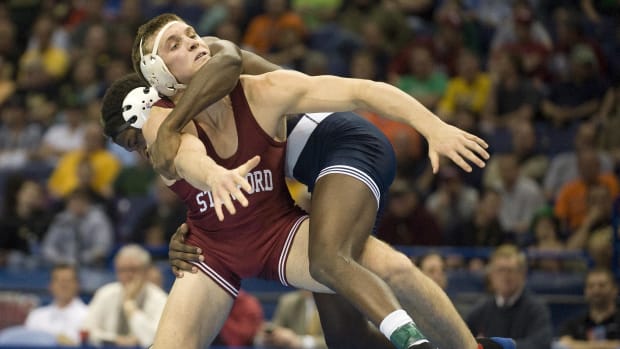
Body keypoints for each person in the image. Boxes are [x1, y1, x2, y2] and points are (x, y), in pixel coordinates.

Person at [103, 14, 512, 349]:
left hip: (336, 146)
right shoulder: (159, 126)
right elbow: (189, 159)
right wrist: (214, 181)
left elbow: (359, 91)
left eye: (190, 34)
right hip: (222, 242)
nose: (139, 147)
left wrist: (432, 126)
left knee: (350, 262)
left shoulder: (245, 81)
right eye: (128, 145)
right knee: (343, 335)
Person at [466, 244, 553, 349]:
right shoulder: (481, 309)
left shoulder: (536, 309)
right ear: (491, 275)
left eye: (510, 270)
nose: (505, 276)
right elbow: (463, 336)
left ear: (522, 274)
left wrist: (505, 347)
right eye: (500, 270)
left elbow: (542, 344)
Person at [82, 244, 167, 347]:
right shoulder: (105, 293)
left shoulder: (160, 298)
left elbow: (154, 339)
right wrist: (117, 340)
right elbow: (86, 331)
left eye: (133, 270)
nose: (128, 275)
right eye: (122, 270)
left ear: (146, 272)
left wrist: (130, 306)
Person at [24, 263, 87, 345]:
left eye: (68, 281)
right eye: (58, 280)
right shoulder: (36, 316)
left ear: (78, 285)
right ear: (50, 285)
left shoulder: (89, 316)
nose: (63, 285)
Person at [556, 268, 620, 349]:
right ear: (585, 291)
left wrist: (581, 345)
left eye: (602, 285)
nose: (596, 290)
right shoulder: (574, 324)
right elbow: (563, 343)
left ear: (615, 289)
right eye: (591, 286)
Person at [254, 290, 326, 349]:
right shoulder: (288, 302)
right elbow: (276, 329)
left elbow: (335, 342)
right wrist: (268, 337)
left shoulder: (335, 303)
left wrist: (300, 342)